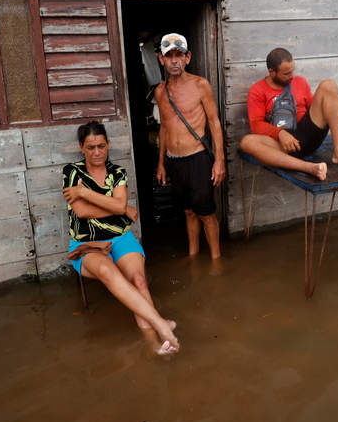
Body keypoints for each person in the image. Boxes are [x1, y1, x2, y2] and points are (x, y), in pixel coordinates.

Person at [62, 120, 179, 357]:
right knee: (108, 272)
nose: (97, 152)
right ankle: (159, 328)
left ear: (108, 144)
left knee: (138, 279)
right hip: (87, 244)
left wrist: (85, 192)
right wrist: (120, 209)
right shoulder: (71, 171)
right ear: (81, 147)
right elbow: (82, 212)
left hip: (120, 236)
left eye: (101, 146)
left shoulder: (117, 172)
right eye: (91, 147)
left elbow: (116, 204)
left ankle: (158, 342)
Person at [153, 33, 226, 261]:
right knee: (188, 212)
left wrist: (219, 160)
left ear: (188, 57)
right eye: (169, 56)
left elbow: (214, 122)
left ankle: (216, 261)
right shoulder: (160, 91)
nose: (174, 61)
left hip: (197, 159)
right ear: (161, 59)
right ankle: (193, 256)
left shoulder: (200, 85)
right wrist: (161, 164)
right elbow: (164, 128)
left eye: (179, 55)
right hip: (174, 162)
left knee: (206, 214)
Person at [240, 48, 338, 181]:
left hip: (308, 134)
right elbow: (256, 125)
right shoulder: (257, 91)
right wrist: (280, 133)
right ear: (272, 72)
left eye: (293, 70)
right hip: (283, 146)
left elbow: (314, 105)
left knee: (329, 85)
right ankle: (310, 168)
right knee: (247, 142)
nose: (292, 76)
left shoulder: (300, 82)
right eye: (286, 73)